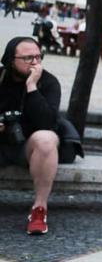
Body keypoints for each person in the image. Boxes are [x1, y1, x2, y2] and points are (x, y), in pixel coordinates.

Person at [0, 37, 61, 234]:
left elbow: (48, 123)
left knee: (46, 138)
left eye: (38, 57)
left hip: (29, 148)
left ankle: (39, 209)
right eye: (28, 58)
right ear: (11, 60)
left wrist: (32, 86)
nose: (35, 62)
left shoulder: (48, 82)